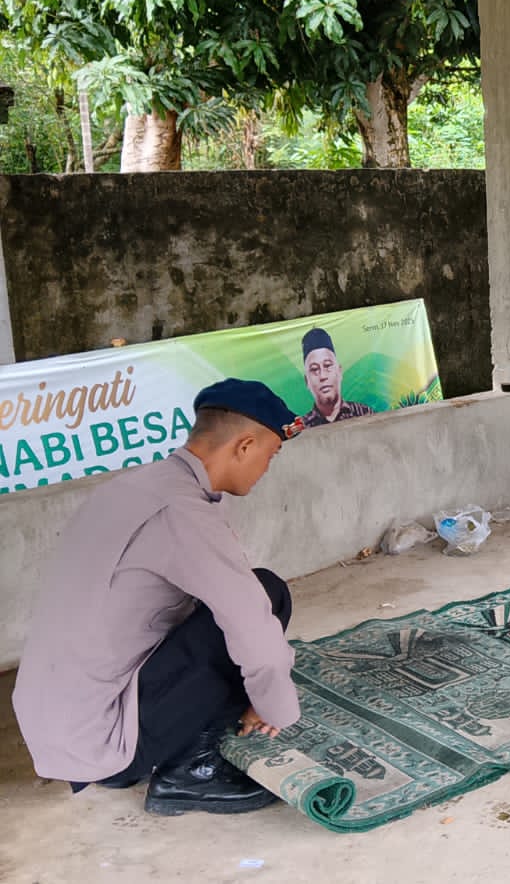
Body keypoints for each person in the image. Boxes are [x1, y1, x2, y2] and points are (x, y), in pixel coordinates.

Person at [13, 379, 304, 816]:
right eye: (270, 454)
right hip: (104, 743)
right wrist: (273, 708)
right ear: (245, 446)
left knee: (229, 605)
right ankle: (189, 772)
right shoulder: (181, 512)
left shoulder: (136, 487)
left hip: (54, 721)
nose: (266, 468)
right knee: (265, 596)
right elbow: (252, 628)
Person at [299, 327, 374, 427]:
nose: (323, 376)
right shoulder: (302, 428)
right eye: (314, 369)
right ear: (306, 381)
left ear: (339, 372)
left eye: (327, 365)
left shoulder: (364, 414)